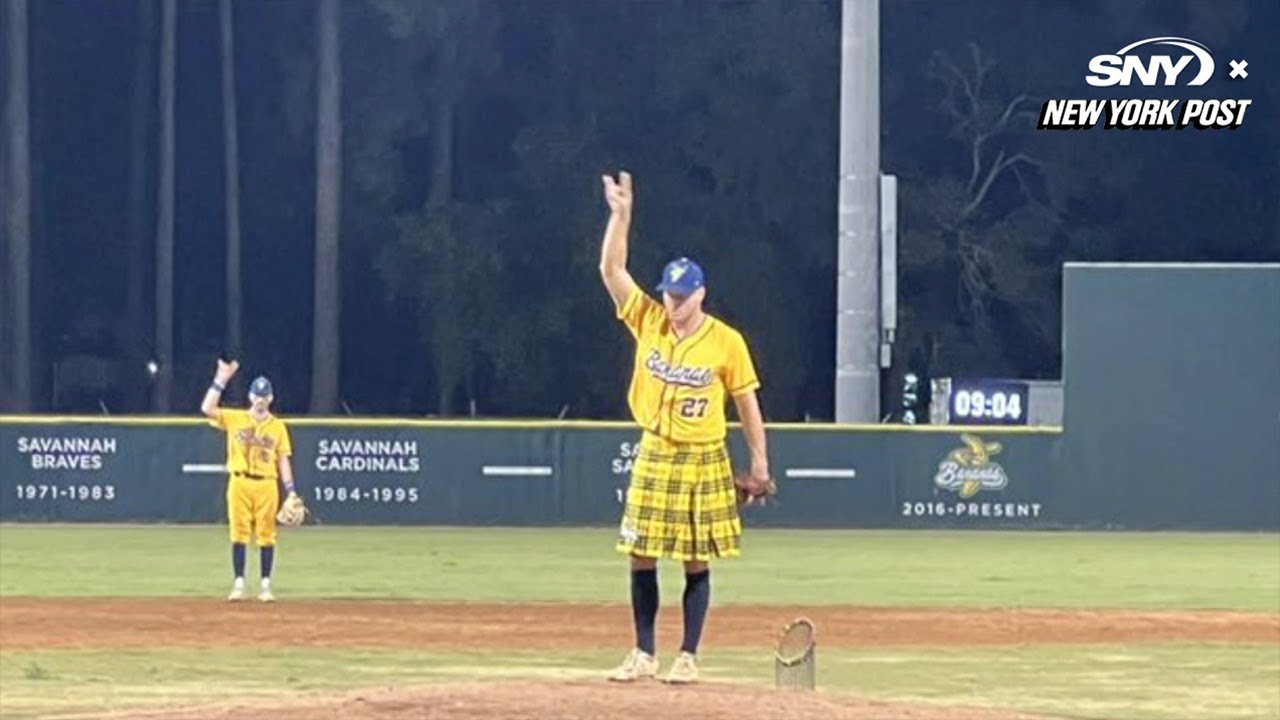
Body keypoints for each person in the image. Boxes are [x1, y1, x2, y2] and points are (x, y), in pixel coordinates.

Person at [598, 170, 772, 684]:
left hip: (703, 454)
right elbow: (610, 269)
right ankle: (643, 653)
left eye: (682, 296)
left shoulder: (726, 341)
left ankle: (689, 656)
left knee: (696, 559)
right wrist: (620, 216)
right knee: (640, 552)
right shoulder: (649, 320)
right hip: (656, 447)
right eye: (669, 295)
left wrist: (760, 461)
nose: (673, 305)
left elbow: (747, 402)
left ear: (701, 294)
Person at [200, 358, 298, 602]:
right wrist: (221, 379)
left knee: (267, 534)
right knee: (239, 533)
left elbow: (283, 459)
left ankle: (265, 586)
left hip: (267, 483)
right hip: (239, 481)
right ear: (250, 396)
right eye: (257, 395)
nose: (260, 399)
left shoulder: (278, 427)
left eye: (265, 396)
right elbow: (207, 408)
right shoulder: (236, 418)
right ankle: (239, 584)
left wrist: (291, 490)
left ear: (271, 398)